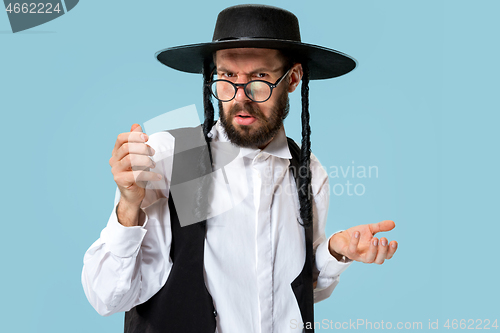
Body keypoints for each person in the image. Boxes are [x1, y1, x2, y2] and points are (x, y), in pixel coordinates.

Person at [81, 4, 398, 333]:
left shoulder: (308, 172)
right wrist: (128, 206)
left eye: (259, 78)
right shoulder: (179, 157)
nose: (240, 98)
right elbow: (107, 297)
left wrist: (332, 253)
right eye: (228, 77)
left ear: (292, 78)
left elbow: (296, 293)